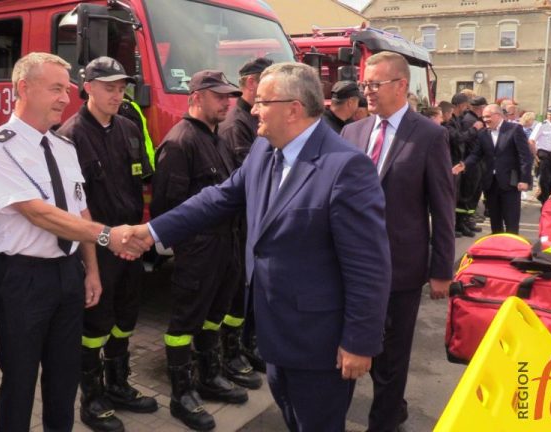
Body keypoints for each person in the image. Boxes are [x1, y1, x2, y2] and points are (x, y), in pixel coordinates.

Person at [123, 62, 392, 432]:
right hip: (274, 335)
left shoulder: (346, 168)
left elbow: (369, 266)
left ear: (293, 108)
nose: (251, 110)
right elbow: (217, 199)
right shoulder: (264, 149)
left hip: (319, 345)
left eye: (262, 102)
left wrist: (359, 343)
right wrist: (151, 231)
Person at [0, 52, 142, 432]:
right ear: (23, 88)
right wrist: (108, 236)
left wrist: (91, 270)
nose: (65, 98)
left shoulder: (64, 148)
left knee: (64, 380)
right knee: (19, 380)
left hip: (68, 274)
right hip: (23, 278)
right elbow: (39, 213)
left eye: (66, 90)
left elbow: (79, 210)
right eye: (54, 89)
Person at [341, 51, 455, 432]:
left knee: (391, 358)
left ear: (401, 85)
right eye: (365, 85)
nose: (367, 93)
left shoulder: (429, 135)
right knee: (350, 347)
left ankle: (385, 421)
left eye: (375, 84)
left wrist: (441, 269)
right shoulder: (353, 132)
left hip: (400, 268)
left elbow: (443, 208)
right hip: (350, 266)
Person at [56, 56, 157, 432]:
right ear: (88, 88)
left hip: (130, 245)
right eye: (109, 87)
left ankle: (118, 385)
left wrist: (139, 237)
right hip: (96, 248)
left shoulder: (130, 128)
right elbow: (72, 207)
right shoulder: (69, 136)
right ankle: (92, 398)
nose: (118, 94)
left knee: (125, 318)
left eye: (121, 87)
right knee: (95, 323)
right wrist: (107, 243)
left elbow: (140, 187)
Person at [150, 69, 249, 431]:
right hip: (200, 251)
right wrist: (192, 249)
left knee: (215, 313)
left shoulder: (218, 137)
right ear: (197, 97)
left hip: (228, 245)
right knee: (184, 322)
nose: (228, 102)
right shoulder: (180, 142)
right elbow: (167, 209)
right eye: (220, 96)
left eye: (229, 96)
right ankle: (182, 392)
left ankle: (209, 376)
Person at [218, 57, 273, 382]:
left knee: (250, 292)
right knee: (238, 292)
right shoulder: (236, 123)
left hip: (255, 220)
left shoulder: (249, 119)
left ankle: (248, 344)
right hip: (241, 221)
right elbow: (248, 175)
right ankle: (233, 351)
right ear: (251, 83)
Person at [453, 104, 532, 233]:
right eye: (483, 117)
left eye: (488, 117)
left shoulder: (514, 129)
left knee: (511, 221)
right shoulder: (483, 133)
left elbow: (525, 156)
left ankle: (512, 250)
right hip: (491, 183)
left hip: (510, 183)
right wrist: (464, 165)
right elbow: (475, 154)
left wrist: (524, 179)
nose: (485, 120)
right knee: (495, 221)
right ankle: (496, 248)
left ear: (498, 115)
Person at [450, 93, 485, 237]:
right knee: (464, 195)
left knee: (472, 194)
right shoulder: (468, 120)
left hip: (472, 160)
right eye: (465, 105)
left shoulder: (464, 119)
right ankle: (460, 223)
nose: (466, 107)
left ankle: (466, 221)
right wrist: (475, 129)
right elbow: (461, 139)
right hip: (468, 161)